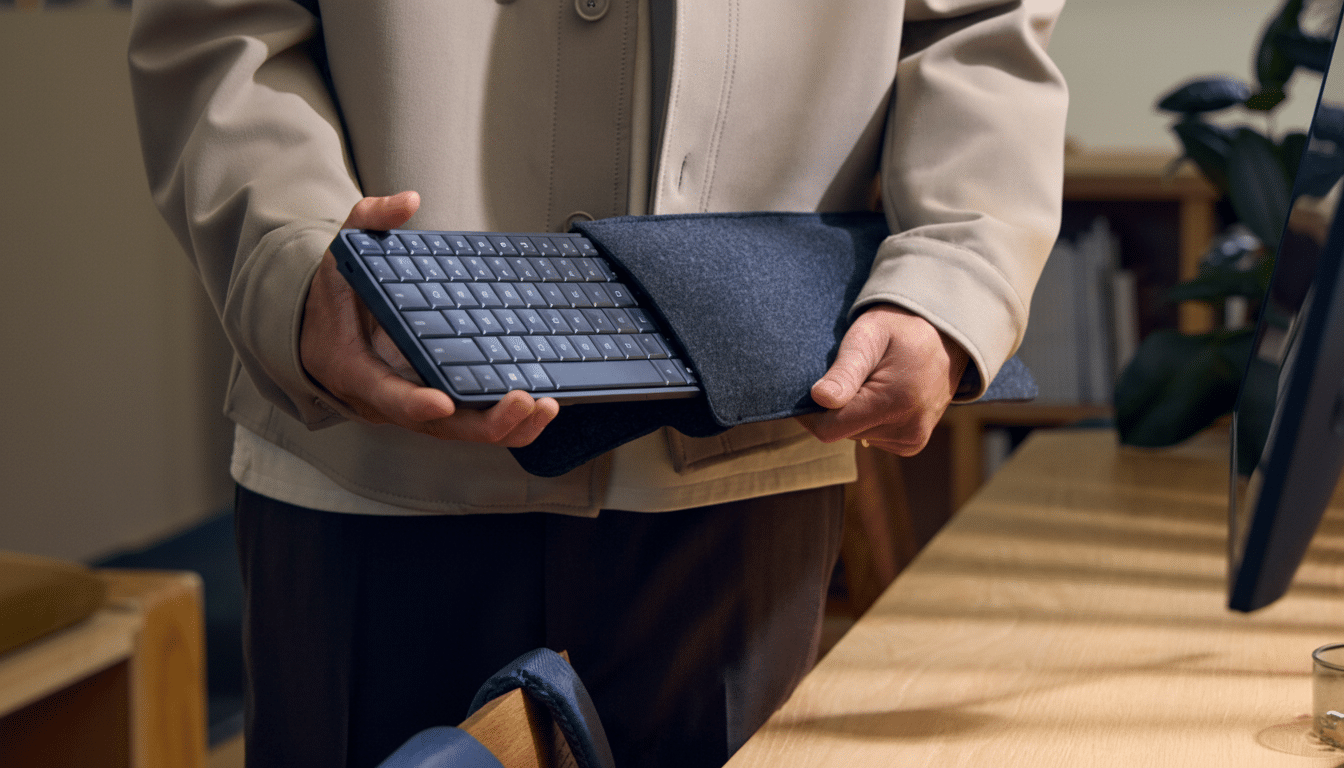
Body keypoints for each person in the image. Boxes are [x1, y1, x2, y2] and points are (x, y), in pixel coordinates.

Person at [128, 1, 1067, 766]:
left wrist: (952, 277)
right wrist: (290, 261)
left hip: (742, 469)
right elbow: (224, 24)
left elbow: (978, 25)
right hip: (369, 472)